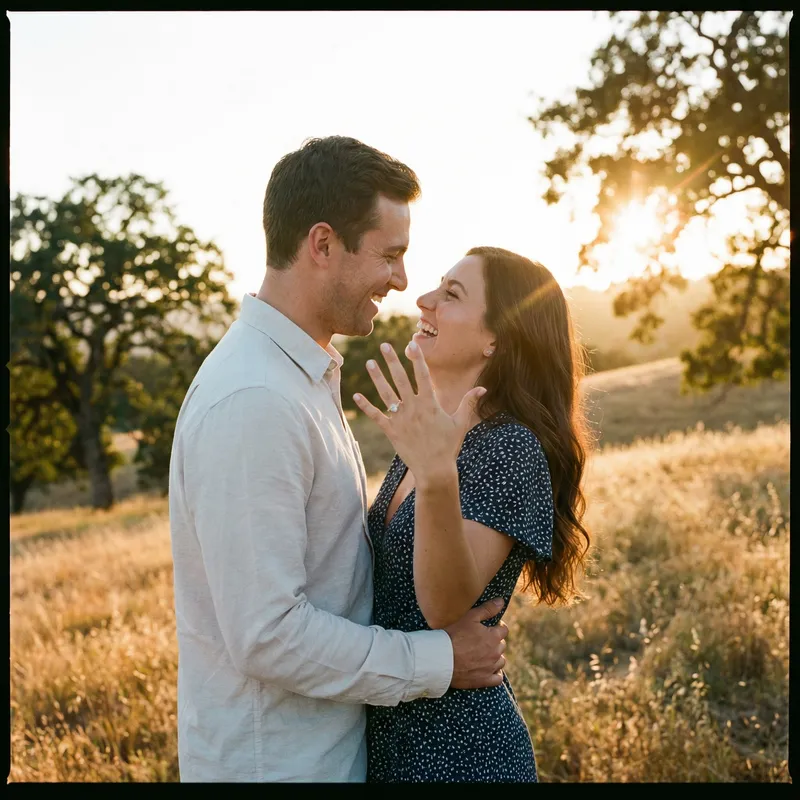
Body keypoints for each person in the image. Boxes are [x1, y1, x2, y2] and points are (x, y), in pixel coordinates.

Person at [168, 137, 508, 783]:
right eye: (390, 255)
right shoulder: (255, 399)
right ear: (322, 245)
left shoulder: (300, 378)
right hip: (280, 767)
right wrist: (439, 661)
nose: (405, 282)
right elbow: (268, 634)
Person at [352, 246, 592, 782]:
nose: (423, 300)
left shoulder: (508, 448)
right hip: (388, 736)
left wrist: (437, 473)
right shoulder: (433, 438)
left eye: (451, 295)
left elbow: (442, 606)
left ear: (496, 339)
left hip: (460, 751)